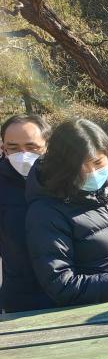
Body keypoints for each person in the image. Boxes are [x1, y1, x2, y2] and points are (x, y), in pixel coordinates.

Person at [26, 118, 108, 307]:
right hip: (91, 313)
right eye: (79, 167)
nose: (91, 172)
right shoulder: (47, 211)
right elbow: (60, 284)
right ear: (62, 168)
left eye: (98, 162)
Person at [0, 114, 54, 313]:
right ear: (3, 148)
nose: (23, 155)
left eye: (31, 147)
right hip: (21, 297)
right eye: (13, 148)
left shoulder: (64, 180)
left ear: (47, 146)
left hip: (71, 291)